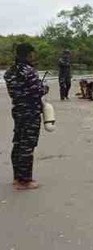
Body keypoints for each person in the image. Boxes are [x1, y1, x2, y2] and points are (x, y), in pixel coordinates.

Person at [4, 43, 48, 190]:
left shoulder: (9, 72)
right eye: (32, 54)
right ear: (29, 54)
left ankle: (17, 178)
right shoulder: (29, 71)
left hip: (17, 110)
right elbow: (38, 91)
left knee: (18, 143)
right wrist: (44, 87)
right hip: (30, 111)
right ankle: (25, 181)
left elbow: (15, 91)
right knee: (27, 145)